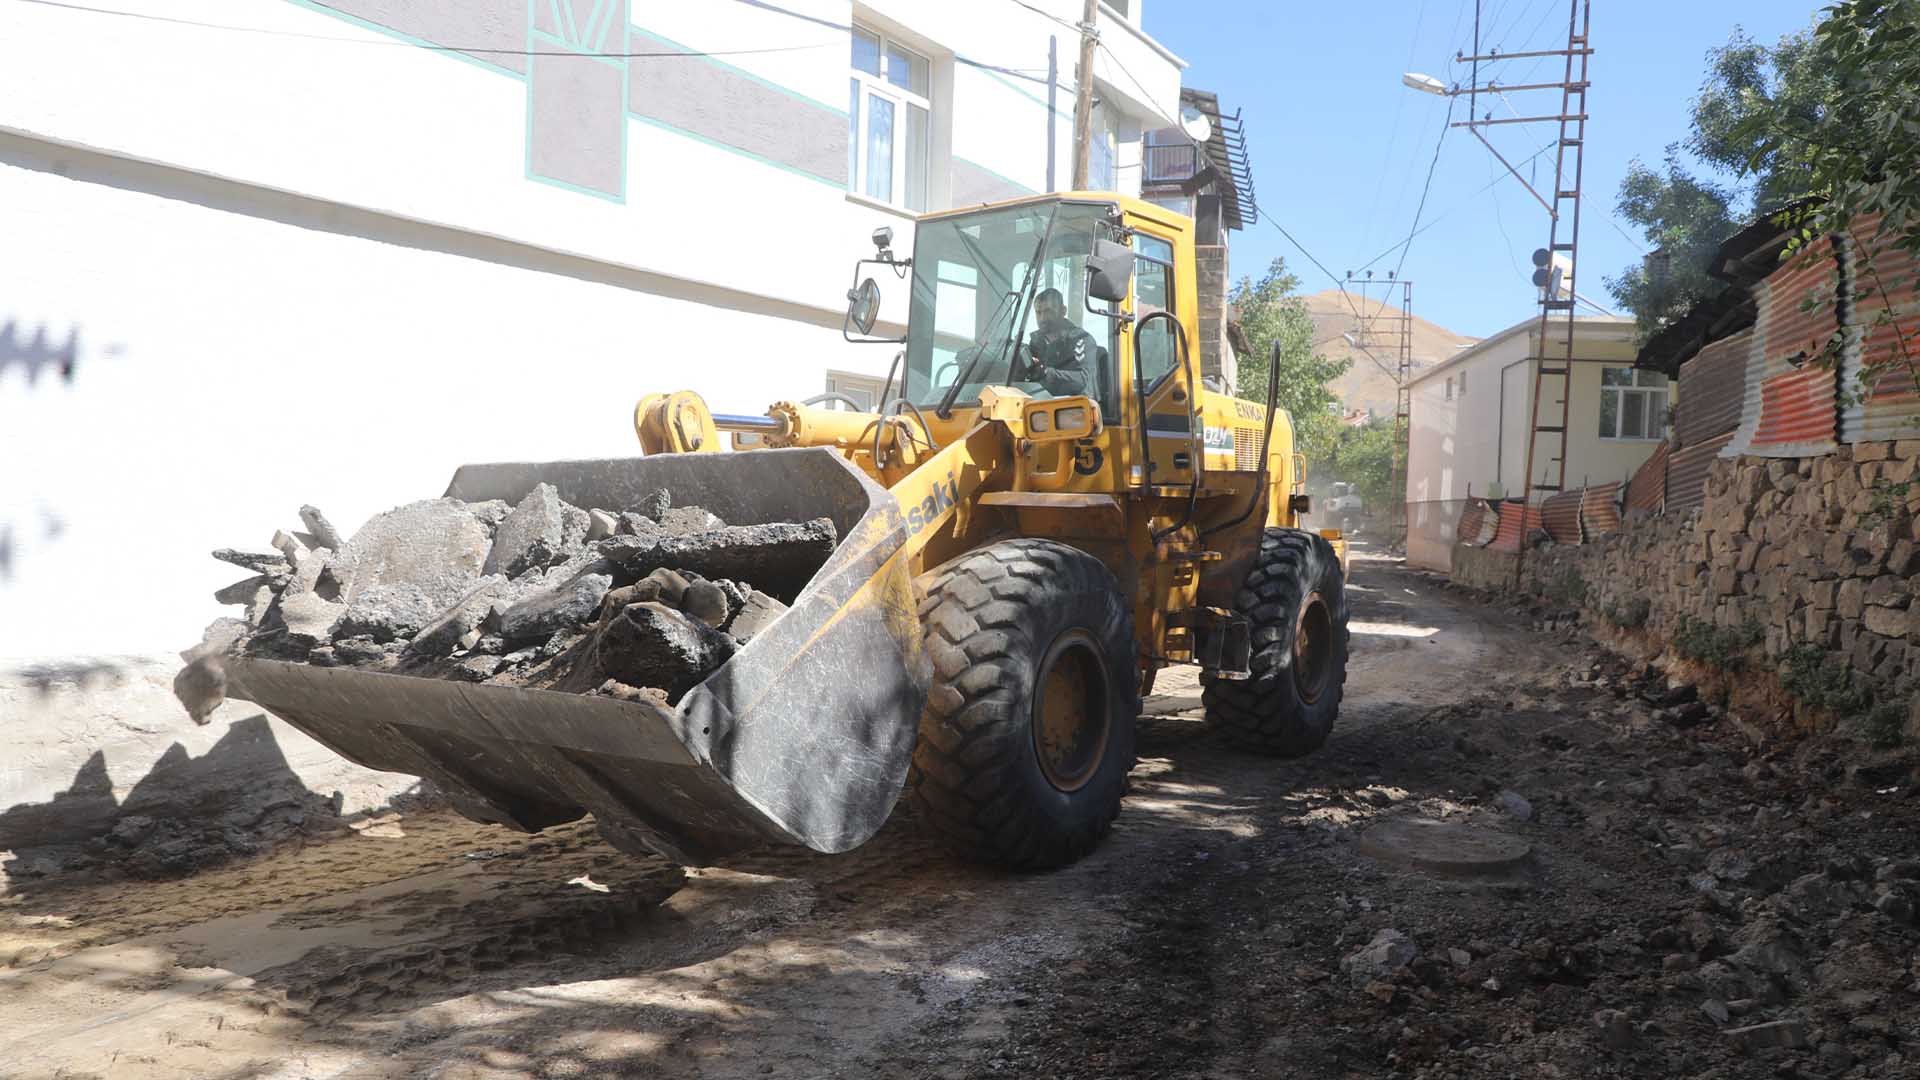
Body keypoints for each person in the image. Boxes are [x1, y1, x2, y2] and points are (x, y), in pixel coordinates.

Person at [1022, 288, 1103, 398]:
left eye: (1048, 311)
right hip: (1038, 407)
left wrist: (1047, 373)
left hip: (1075, 410)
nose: (1042, 318)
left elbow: (1083, 380)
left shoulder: (1081, 340)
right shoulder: (1036, 343)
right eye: (1038, 312)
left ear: (1063, 311)